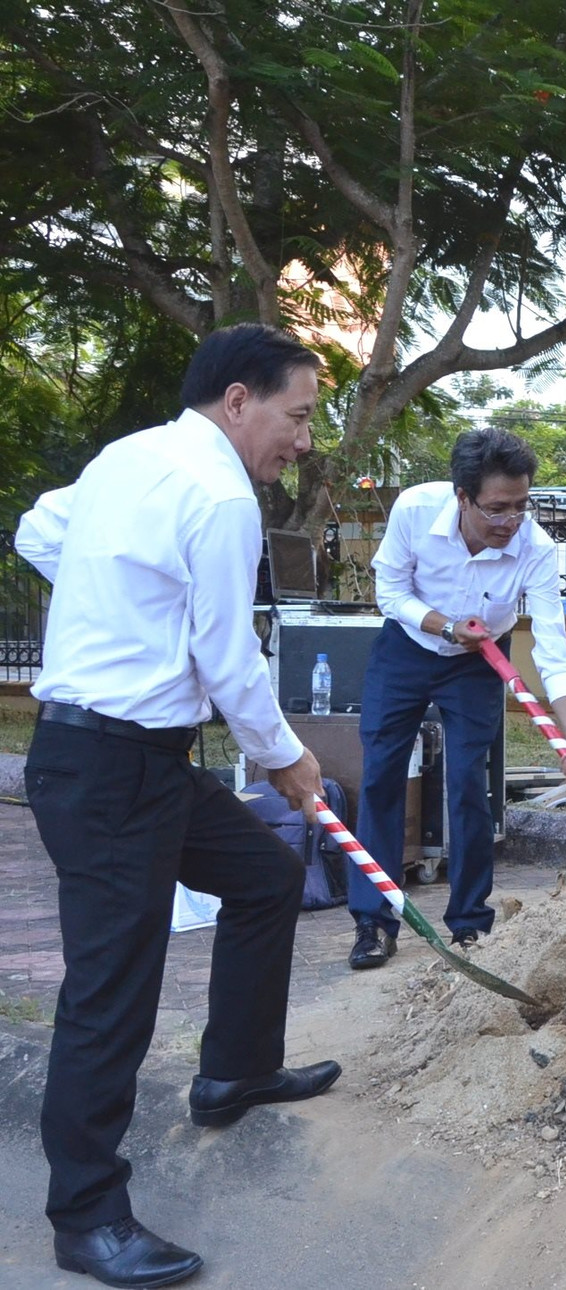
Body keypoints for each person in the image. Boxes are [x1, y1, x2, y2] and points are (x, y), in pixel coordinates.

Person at [15, 324, 342, 1288]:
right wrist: (287, 760)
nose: (305, 438)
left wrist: (118, 608)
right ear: (240, 400)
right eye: (300, 414)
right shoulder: (216, 495)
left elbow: (42, 526)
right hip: (109, 768)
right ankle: (86, 1217)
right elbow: (228, 660)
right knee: (110, 993)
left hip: (139, 760)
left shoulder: (131, 457)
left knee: (267, 877)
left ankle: (233, 1071)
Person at [346, 427, 566, 969]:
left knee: (468, 784)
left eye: (521, 507)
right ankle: (374, 921)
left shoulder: (536, 548)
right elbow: (390, 591)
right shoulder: (415, 509)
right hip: (408, 646)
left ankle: (470, 926)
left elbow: (553, 648)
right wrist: (444, 625)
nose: (510, 522)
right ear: (462, 497)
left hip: (478, 661)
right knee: (382, 776)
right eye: (497, 509)